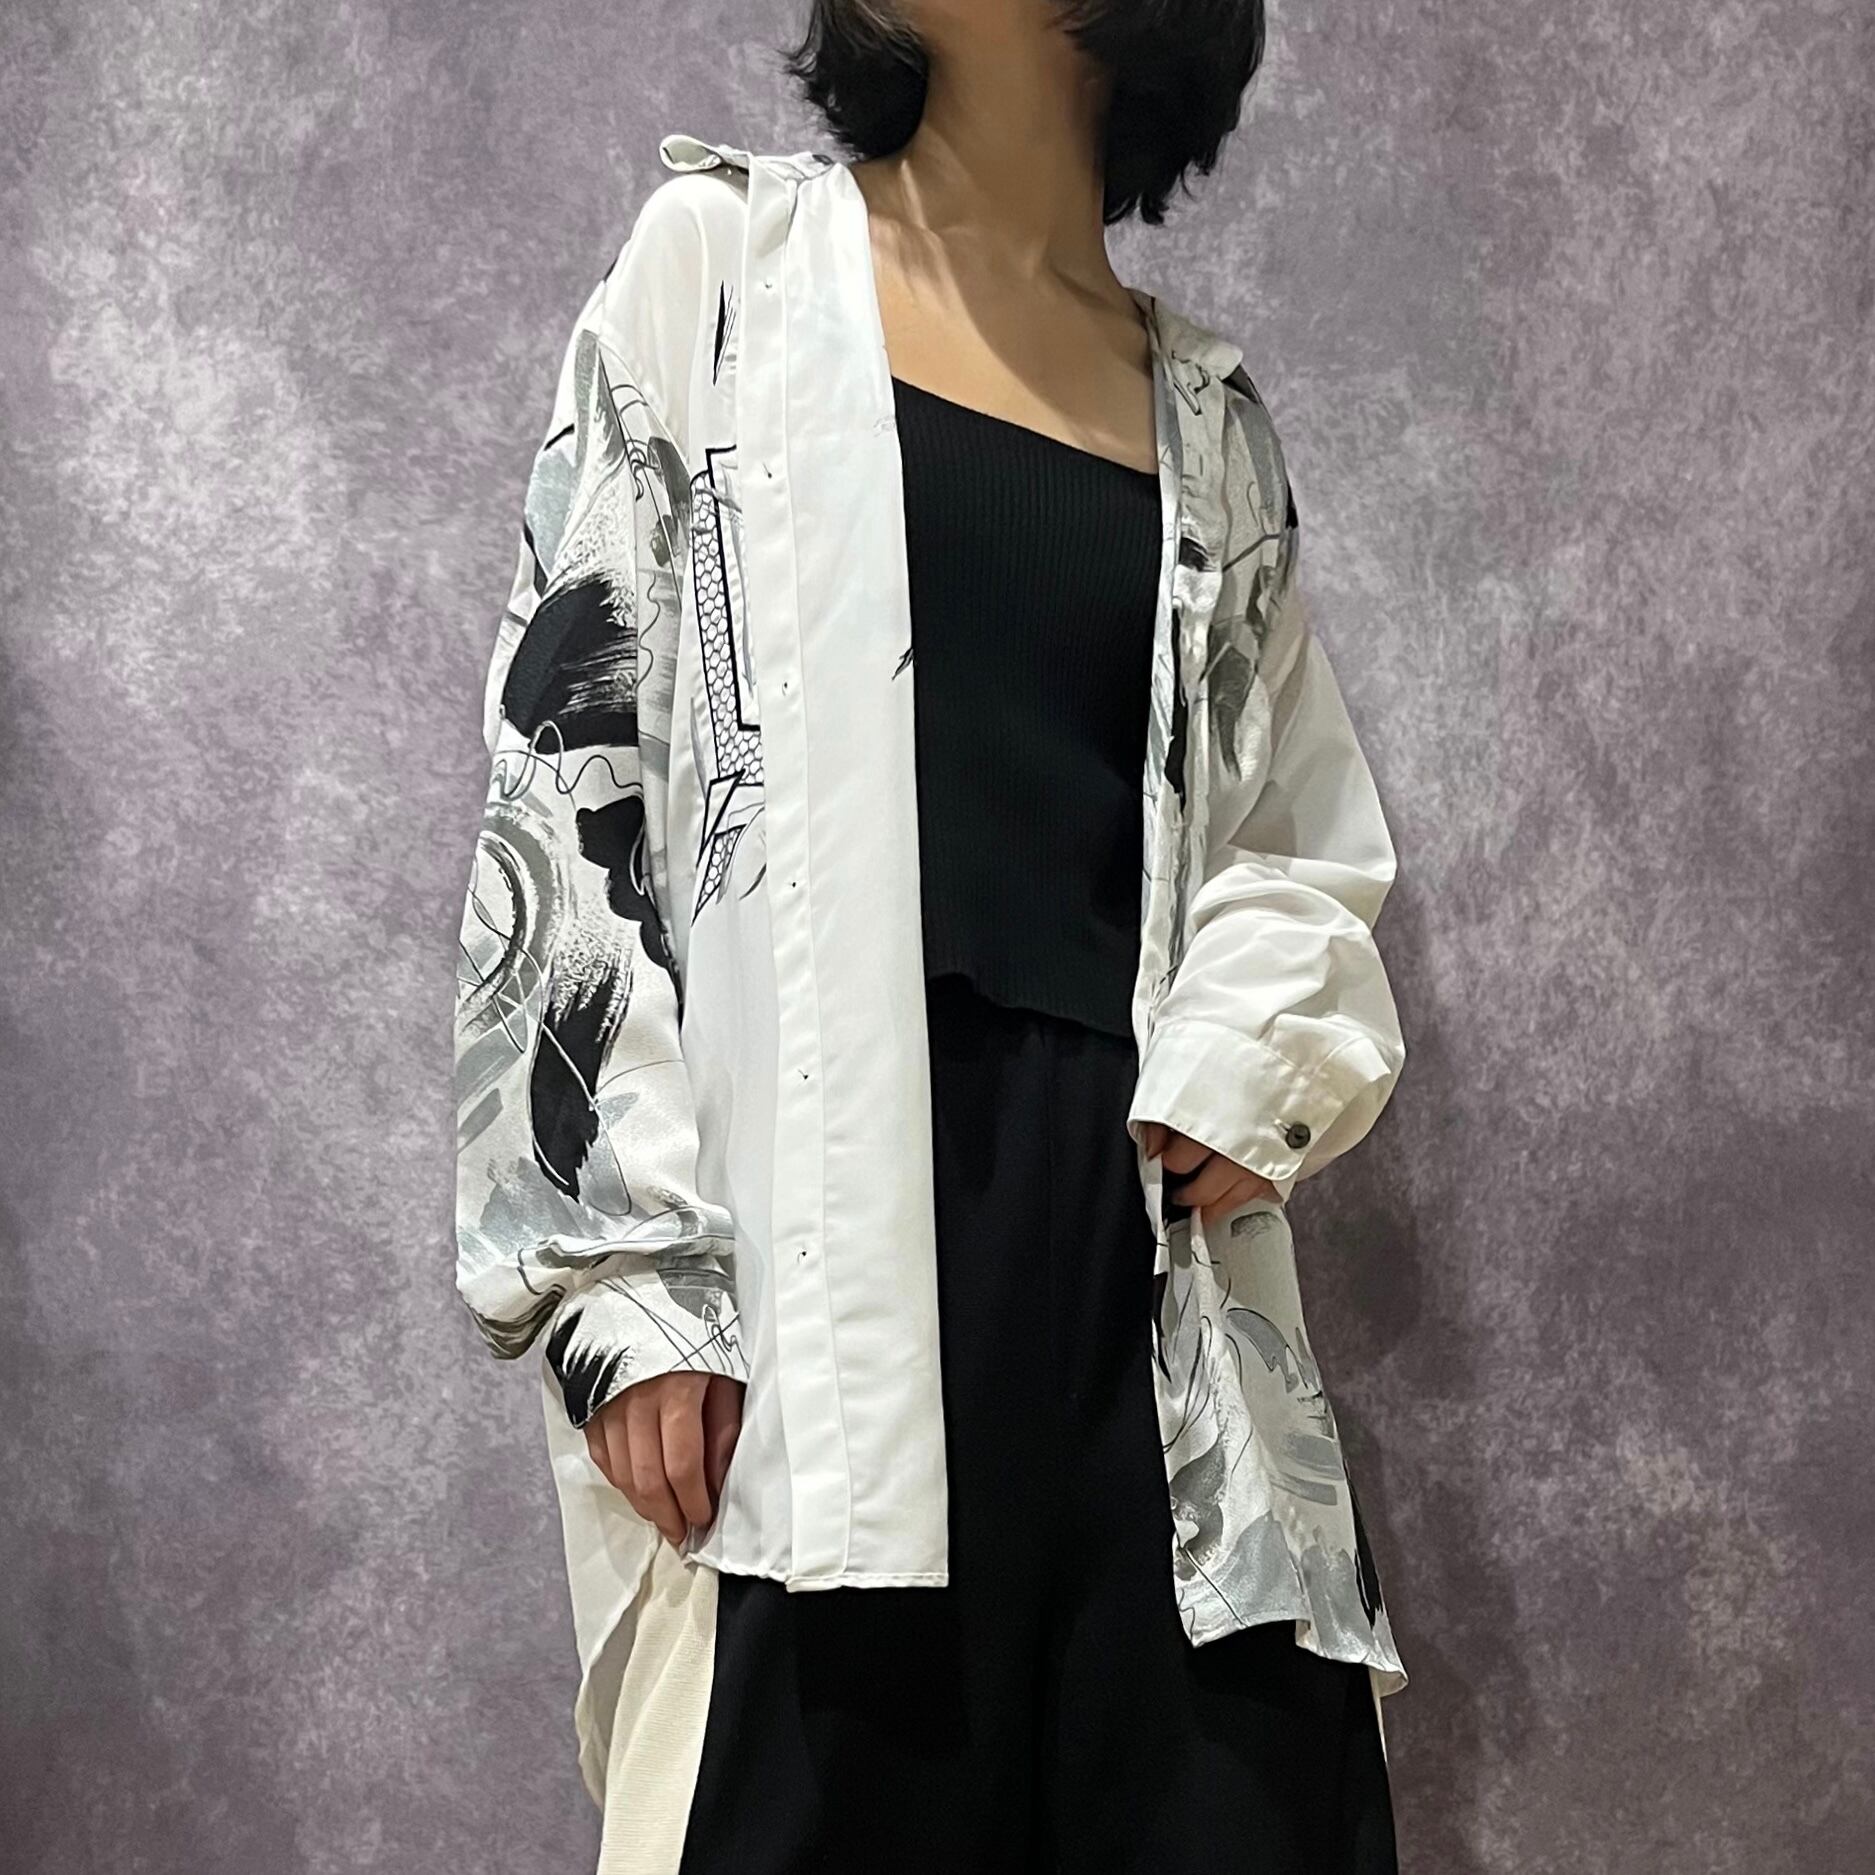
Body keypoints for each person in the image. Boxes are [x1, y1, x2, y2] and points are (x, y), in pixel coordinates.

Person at [452, 3, 1410, 1869]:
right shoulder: (718, 276)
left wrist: (1255, 1057)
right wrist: (624, 1276)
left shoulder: (1209, 422)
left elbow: (1292, 840)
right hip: (834, 1279)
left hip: (1149, 1280)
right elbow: (568, 774)